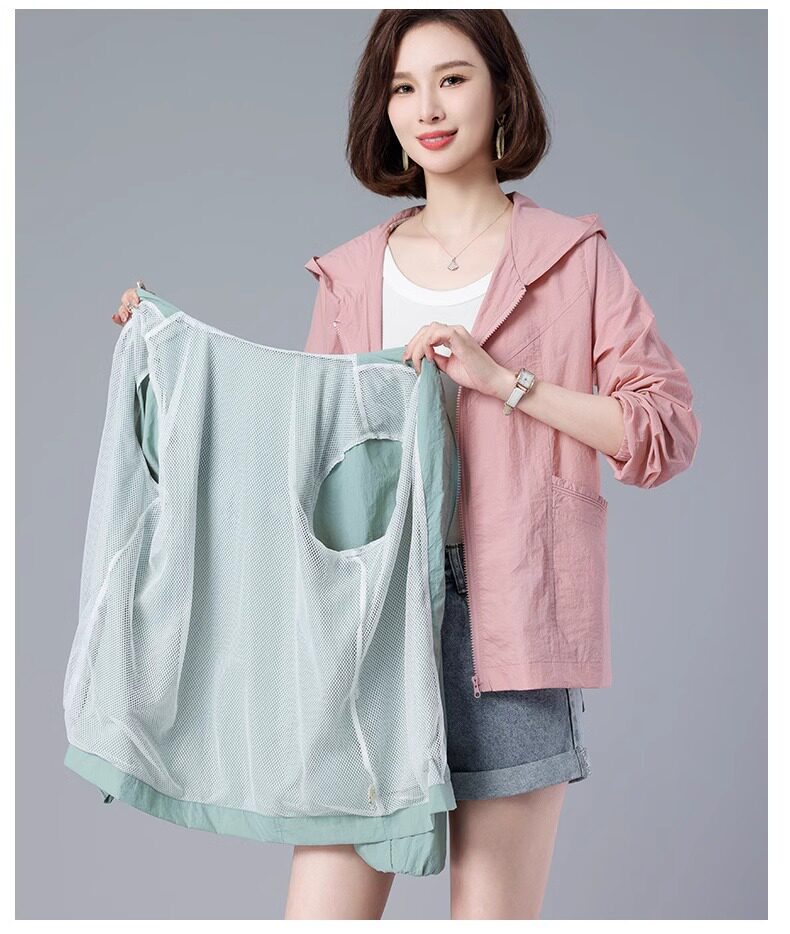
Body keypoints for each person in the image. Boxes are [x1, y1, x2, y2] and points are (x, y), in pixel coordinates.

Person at [110, 10, 700, 921]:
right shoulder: (352, 274)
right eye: (403, 86)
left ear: (502, 89)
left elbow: (663, 431)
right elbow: (301, 460)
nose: (427, 107)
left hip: (514, 625)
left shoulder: (573, 259)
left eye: (453, 78)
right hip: (367, 626)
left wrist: (504, 383)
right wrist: (171, 361)